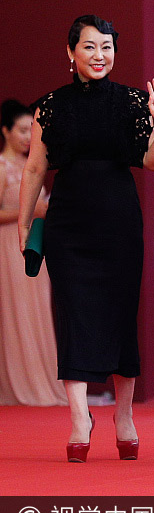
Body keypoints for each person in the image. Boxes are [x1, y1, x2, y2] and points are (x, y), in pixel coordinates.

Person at [18, 15, 154, 462]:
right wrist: (26, 224)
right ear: (70, 53)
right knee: (73, 316)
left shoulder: (133, 102)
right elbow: (35, 167)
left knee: (120, 316)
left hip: (119, 225)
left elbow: (151, 162)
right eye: (89, 46)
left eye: (107, 47)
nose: (99, 55)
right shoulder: (50, 106)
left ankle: (123, 416)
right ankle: (79, 419)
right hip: (68, 227)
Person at [0, 100, 65, 406]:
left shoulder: (33, 165)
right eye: (22, 130)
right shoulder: (2, 167)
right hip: (8, 246)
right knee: (15, 313)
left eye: (32, 130)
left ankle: (41, 381)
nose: (28, 137)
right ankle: (16, 383)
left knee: (37, 312)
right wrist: (28, 211)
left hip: (35, 246)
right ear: (5, 131)